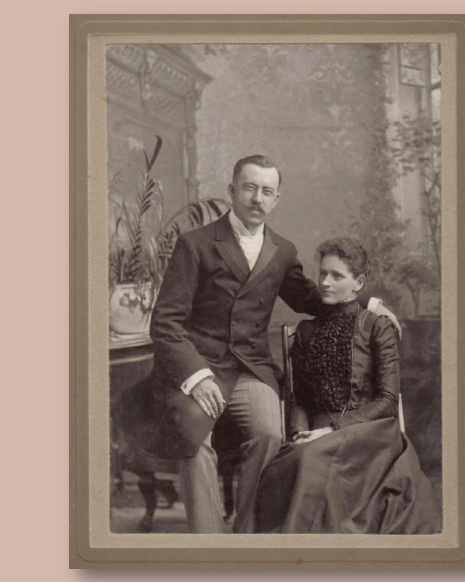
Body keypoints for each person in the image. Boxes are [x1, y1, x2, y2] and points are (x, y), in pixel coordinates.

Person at [140, 155, 400, 534]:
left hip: (251, 368)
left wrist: (369, 303)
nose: (256, 198)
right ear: (232, 190)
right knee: (194, 439)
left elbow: (313, 298)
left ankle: (247, 538)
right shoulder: (194, 244)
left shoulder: (282, 250)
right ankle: (208, 546)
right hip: (199, 367)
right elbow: (165, 323)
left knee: (270, 436)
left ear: (276, 199)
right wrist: (196, 377)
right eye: (249, 188)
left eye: (266, 191)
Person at [255, 237, 441, 534]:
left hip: (370, 434)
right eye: (322, 274)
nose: (325, 282)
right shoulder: (306, 331)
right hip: (317, 432)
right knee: (284, 466)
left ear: (359, 283)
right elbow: (299, 398)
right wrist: (299, 432)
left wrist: (332, 429)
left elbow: (388, 400)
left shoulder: (376, 327)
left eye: (336, 276)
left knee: (312, 461)